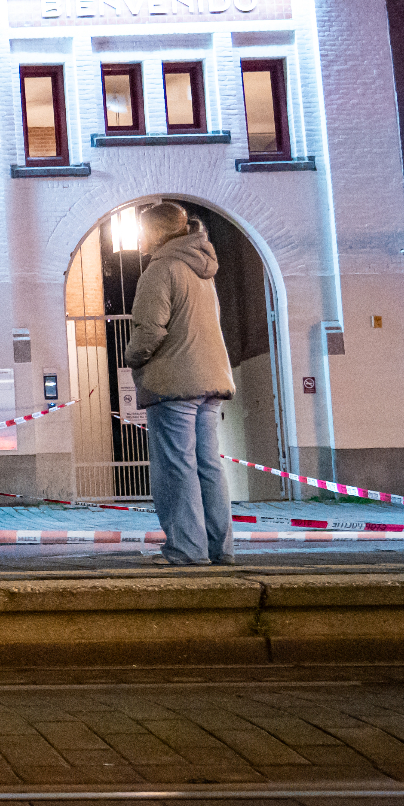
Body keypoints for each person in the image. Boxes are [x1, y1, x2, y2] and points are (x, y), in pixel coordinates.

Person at [125, 202, 237, 567]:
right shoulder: (204, 270)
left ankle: (187, 550)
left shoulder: (161, 269)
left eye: (142, 231)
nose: (139, 239)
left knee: (176, 467)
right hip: (210, 380)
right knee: (208, 465)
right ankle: (220, 549)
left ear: (157, 232)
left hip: (174, 382)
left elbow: (150, 330)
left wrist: (133, 357)